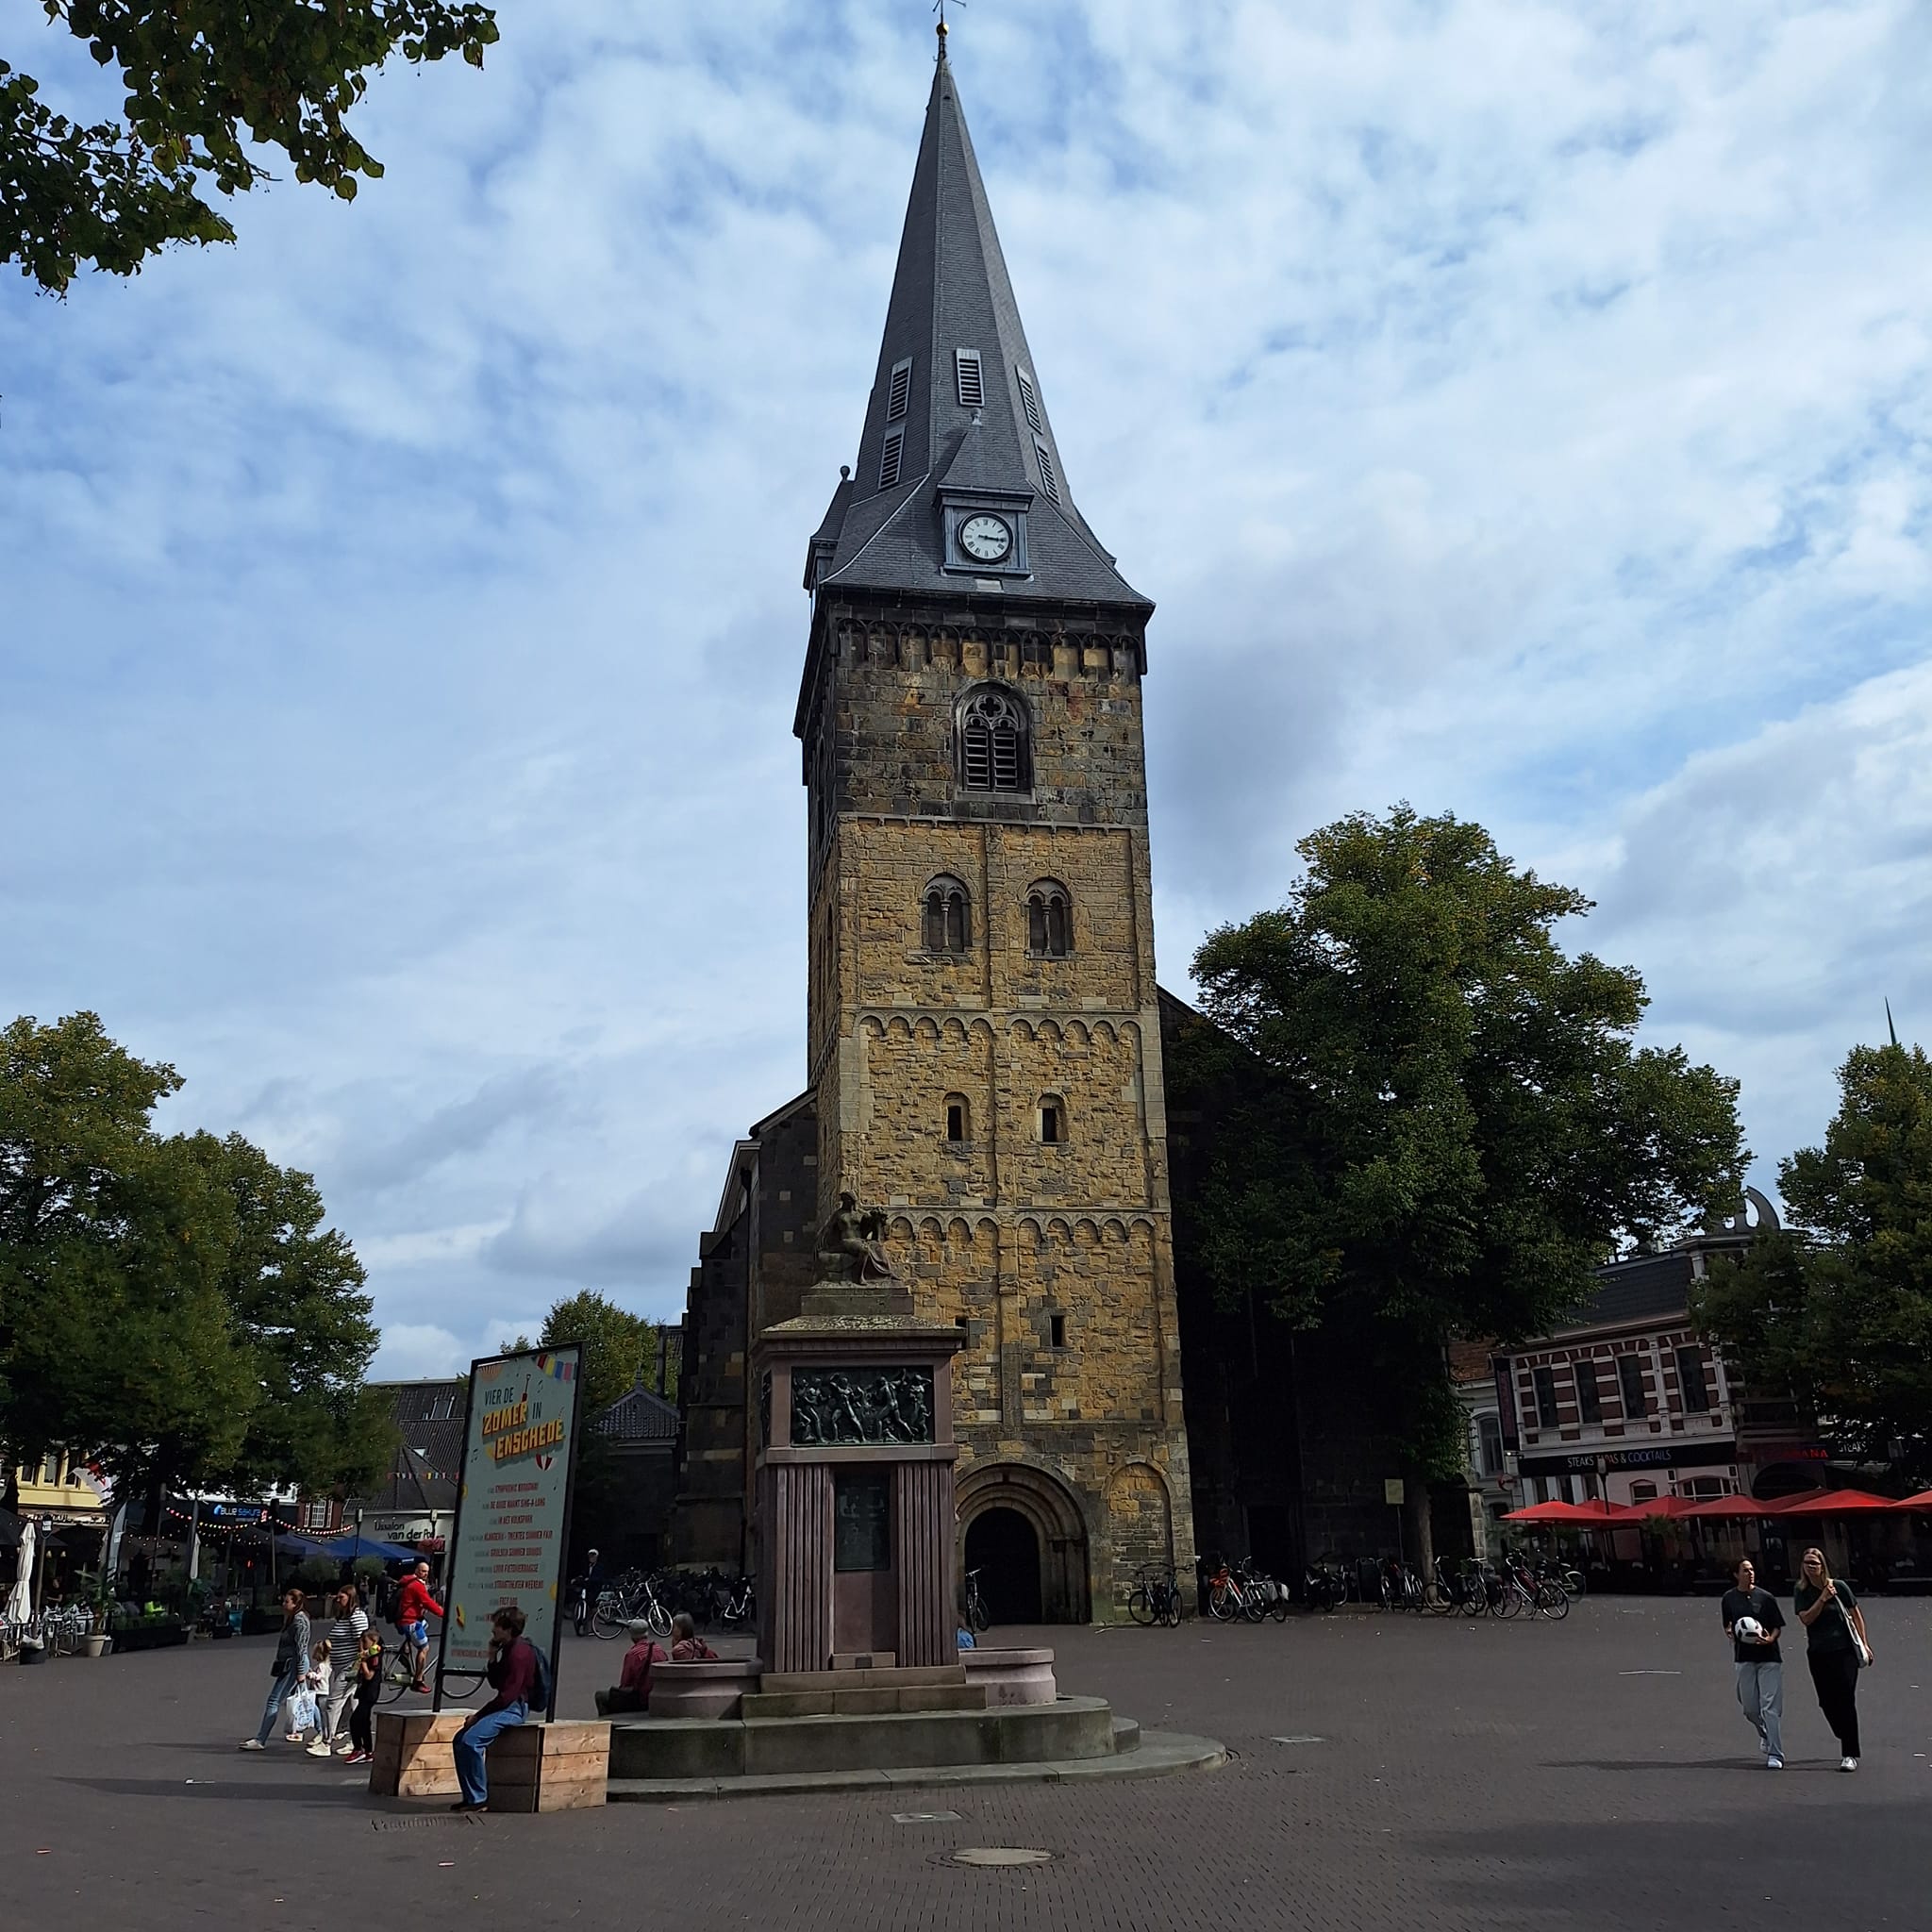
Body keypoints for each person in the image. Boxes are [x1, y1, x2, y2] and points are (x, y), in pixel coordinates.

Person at [451, 1606, 538, 1813]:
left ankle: (479, 1798)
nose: (493, 1631)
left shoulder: (519, 1653)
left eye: (496, 1626)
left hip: (514, 1707)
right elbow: (496, 1683)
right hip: (508, 1704)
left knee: (471, 1742)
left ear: (508, 1629)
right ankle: (471, 1796)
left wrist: (478, 1716)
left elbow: (507, 1695)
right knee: (459, 1740)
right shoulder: (508, 1649)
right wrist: (492, 1658)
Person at [1794, 1545, 1872, 1771]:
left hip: (1844, 1651)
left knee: (1846, 1698)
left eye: (1814, 1563)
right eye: (1806, 1563)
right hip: (1818, 1653)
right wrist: (1822, 1598)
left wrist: (1864, 1644)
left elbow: (1856, 1614)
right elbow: (1806, 1619)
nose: (1810, 1567)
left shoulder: (1839, 1586)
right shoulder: (1801, 1590)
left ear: (1822, 1566)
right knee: (1826, 1702)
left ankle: (1849, 1753)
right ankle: (1842, 1730)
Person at [1719, 1555, 1786, 1769]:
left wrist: (1770, 1639)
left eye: (1752, 1570)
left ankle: (1776, 1754)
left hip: (1769, 1659)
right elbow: (1728, 1624)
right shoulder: (1729, 1599)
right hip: (1744, 1658)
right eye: (1745, 1570)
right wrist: (1730, 1631)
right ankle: (1764, 1734)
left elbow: (1777, 1626)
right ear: (1736, 1574)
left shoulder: (1766, 1598)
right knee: (1749, 1708)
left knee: (1770, 1708)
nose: (1750, 1573)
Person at [242, 1587, 312, 1751]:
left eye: (287, 1601)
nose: (283, 1604)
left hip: (292, 1665)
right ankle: (321, 1733)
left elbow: (301, 1648)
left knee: (275, 1700)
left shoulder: (299, 1621)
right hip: (291, 1663)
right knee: (304, 1701)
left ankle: (261, 1739)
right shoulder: (293, 1619)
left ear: (295, 1604)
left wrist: (301, 1671)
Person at [310, 1582, 369, 1757]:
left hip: (350, 1667)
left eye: (341, 1597)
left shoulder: (356, 1616)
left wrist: (360, 1665)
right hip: (340, 1666)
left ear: (350, 1598)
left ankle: (327, 1742)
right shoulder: (344, 1617)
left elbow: (363, 1641)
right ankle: (354, 1741)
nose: (338, 1599)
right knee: (352, 1705)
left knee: (333, 1702)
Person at [595, 1618, 667, 1715]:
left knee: (600, 1696)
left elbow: (625, 1682)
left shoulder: (633, 1654)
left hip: (640, 1698)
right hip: (657, 1694)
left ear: (632, 1635)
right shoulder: (659, 1650)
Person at [394, 1559, 444, 1693]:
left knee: (425, 1624)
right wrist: (444, 1613)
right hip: (409, 1621)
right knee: (424, 1647)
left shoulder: (410, 1582)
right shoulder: (416, 1585)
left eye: (427, 1572)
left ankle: (406, 1648)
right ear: (416, 1570)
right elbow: (428, 1602)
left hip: (406, 1619)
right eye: (422, 1571)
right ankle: (418, 1680)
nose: (425, 1574)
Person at [343, 1626, 385, 1766]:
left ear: (373, 1641)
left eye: (364, 1641)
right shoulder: (369, 1653)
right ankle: (368, 1751)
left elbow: (369, 1675)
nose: (361, 1644)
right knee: (365, 1722)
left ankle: (357, 1748)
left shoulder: (374, 1656)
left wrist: (363, 1661)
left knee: (355, 1720)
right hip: (364, 1691)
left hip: (370, 1692)